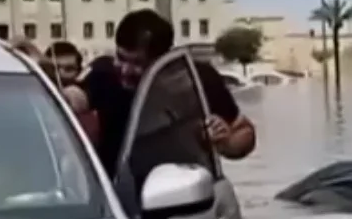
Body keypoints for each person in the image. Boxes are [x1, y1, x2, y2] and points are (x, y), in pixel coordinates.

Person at [81, 9, 256, 176]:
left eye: (137, 63)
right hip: (115, 194)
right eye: (121, 58)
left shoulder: (196, 79)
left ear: (163, 62)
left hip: (187, 195)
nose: (125, 70)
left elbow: (244, 131)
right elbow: (75, 97)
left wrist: (226, 142)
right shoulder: (103, 73)